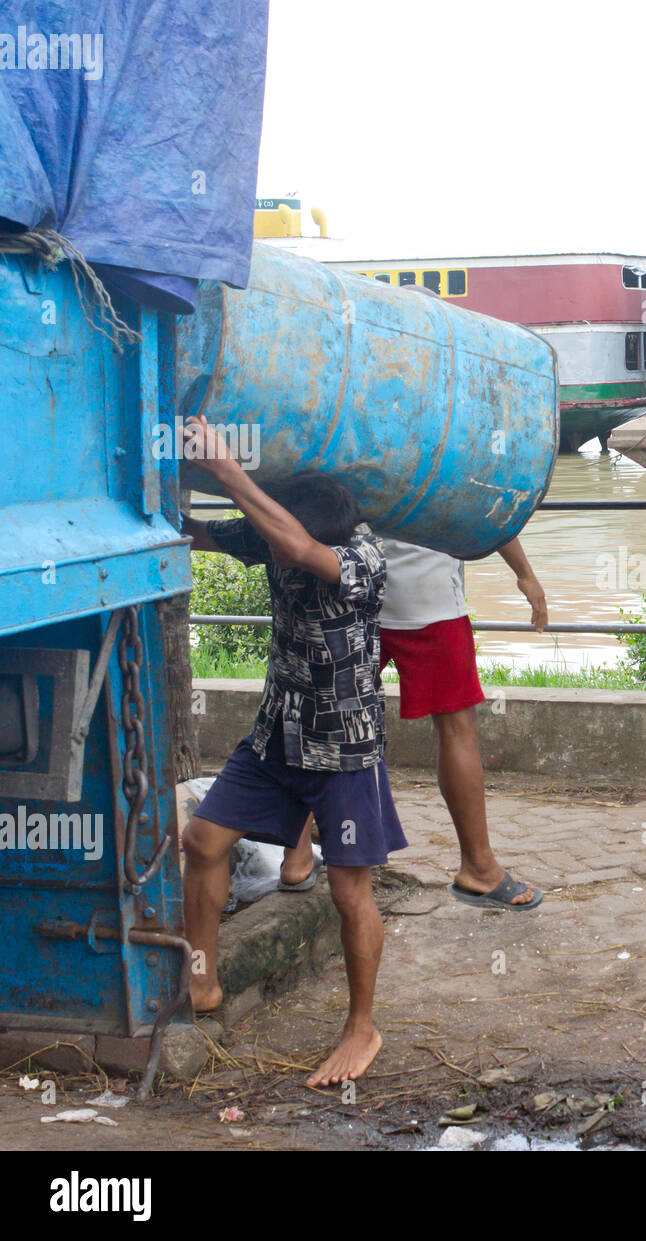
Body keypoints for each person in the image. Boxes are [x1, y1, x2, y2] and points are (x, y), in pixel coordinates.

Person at [179, 416, 403, 1086]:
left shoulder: (362, 559)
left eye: (278, 541)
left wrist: (225, 470)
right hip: (277, 735)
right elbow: (203, 535)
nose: (270, 552)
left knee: (348, 889)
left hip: (344, 749)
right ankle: (203, 984)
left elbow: (298, 548)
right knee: (203, 840)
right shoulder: (275, 531)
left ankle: (362, 1029)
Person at [280, 536, 546, 909]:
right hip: (426, 599)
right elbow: (479, 503)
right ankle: (479, 868)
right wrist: (524, 573)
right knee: (458, 730)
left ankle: (297, 855)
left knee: (321, 716)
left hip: (347, 588)